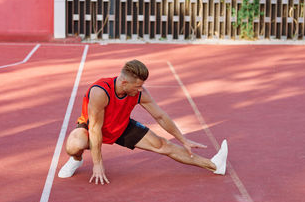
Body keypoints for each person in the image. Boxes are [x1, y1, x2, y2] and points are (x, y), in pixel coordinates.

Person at [58, 59, 228, 185]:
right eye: (137, 86)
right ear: (124, 82)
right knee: (75, 143)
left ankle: (213, 165)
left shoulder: (139, 93)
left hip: (121, 127)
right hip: (93, 128)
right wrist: (98, 163)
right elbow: (95, 128)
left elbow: (160, 116)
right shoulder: (100, 91)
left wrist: (182, 139)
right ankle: (76, 159)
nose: (140, 90)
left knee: (163, 145)